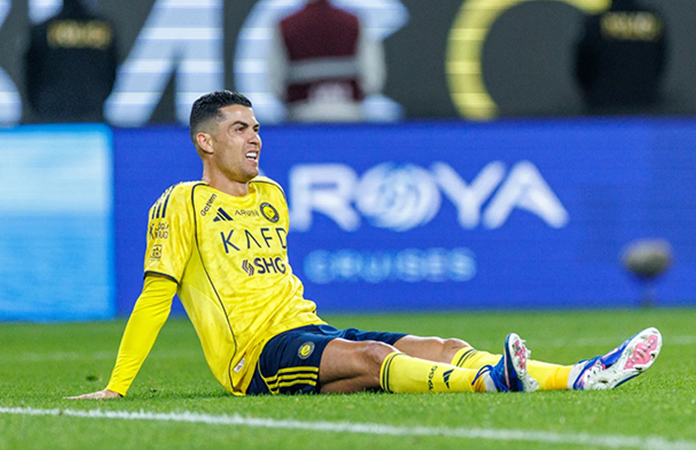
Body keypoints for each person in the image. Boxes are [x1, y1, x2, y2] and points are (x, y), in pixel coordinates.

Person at [67, 91, 662, 400]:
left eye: (257, 128)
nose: (255, 139)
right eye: (239, 129)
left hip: (307, 329)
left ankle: (579, 376)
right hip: (255, 357)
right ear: (205, 142)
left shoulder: (271, 195)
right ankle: (495, 381)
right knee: (376, 360)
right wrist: (118, 385)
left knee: (442, 346)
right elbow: (156, 296)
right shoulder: (180, 203)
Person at [267, 0, 385, 122]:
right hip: (349, 111)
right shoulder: (354, 21)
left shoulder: (286, 25)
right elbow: (372, 77)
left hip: (301, 113)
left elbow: (275, 80)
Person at [24, 0, 118, 123]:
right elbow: (112, 71)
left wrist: (42, 106)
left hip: (51, 115)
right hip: (91, 115)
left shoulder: (43, 30)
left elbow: (30, 73)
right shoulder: (105, 29)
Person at [574, 0, 667, 114]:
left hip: (603, 107)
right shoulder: (652, 19)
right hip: (644, 105)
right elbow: (660, 61)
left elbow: (583, 65)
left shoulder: (596, 20)